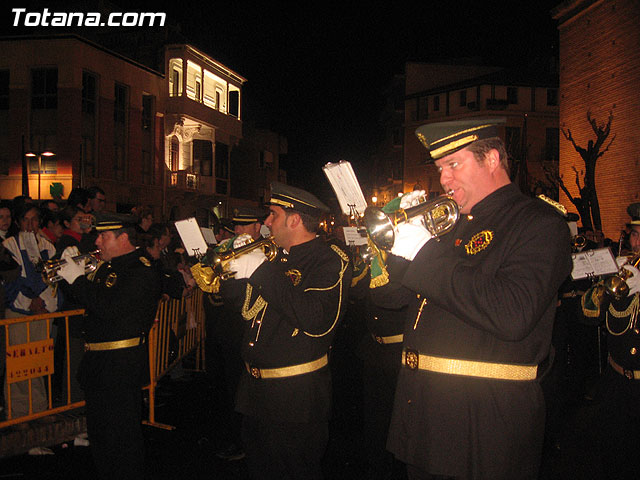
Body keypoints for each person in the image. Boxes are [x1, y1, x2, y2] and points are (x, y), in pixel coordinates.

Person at [371, 119, 571, 480]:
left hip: (484, 422)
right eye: (440, 169)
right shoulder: (449, 227)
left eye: (453, 165)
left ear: (492, 159)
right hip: (422, 413)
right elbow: (389, 296)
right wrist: (392, 247)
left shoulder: (537, 223)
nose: (443, 179)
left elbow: (512, 314)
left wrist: (424, 251)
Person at [215, 182, 352, 479]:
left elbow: (316, 319)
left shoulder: (328, 260)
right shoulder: (276, 257)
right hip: (255, 393)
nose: (266, 222)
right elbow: (243, 308)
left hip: (295, 398)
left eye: (273, 215)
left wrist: (260, 271)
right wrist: (233, 271)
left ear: (295, 220)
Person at [57, 213, 162, 480]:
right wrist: (67, 275)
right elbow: (84, 301)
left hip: (120, 365)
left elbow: (108, 308)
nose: (98, 240)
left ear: (123, 237)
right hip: (98, 365)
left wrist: (77, 280)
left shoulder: (142, 270)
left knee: (122, 440)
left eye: (103, 235)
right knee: (101, 437)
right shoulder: (108, 266)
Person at [581, 202, 640, 479]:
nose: (638, 242)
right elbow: (587, 312)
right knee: (615, 458)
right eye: (635, 234)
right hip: (616, 384)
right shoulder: (626, 271)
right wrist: (611, 285)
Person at [2, 203, 61, 418]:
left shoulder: (48, 247)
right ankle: (18, 413)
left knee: (37, 364)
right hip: (19, 312)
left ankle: (38, 409)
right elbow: (13, 280)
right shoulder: (9, 245)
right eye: (25, 220)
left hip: (42, 312)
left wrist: (42, 302)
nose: (30, 225)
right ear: (18, 222)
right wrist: (31, 300)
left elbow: (53, 278)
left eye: (34, 220)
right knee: (18, 364)